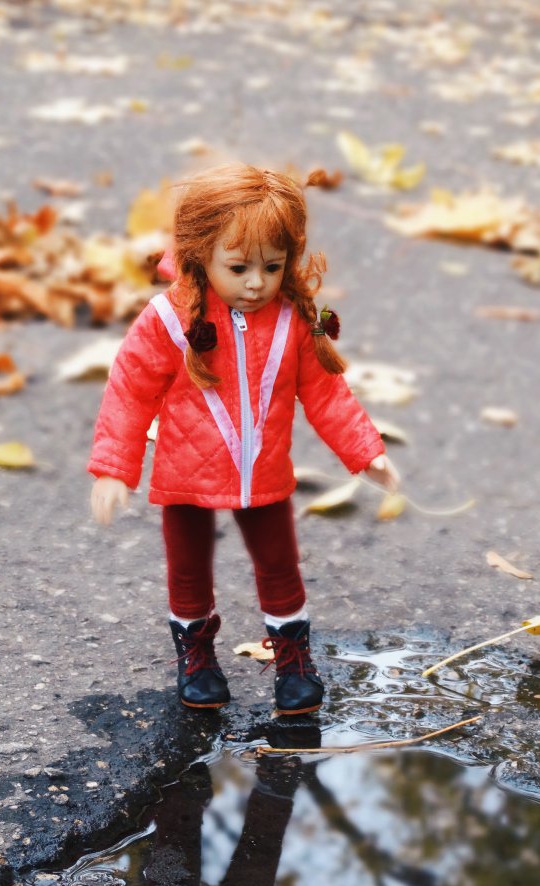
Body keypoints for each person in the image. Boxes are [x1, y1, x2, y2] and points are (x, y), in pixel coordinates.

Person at [88, 163, 399, 714]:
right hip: (185, 471)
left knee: (280, 565)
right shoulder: (167, 319)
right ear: (199, 255)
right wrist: (115, 466)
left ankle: (292, 657)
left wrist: (364, 451)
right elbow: (131, 389)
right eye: (238, 267)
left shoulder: (293, 321)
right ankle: (196, 651)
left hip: (266, 471)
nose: (256, 283)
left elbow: (325, 393)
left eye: (272, 267)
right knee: (187, 569)